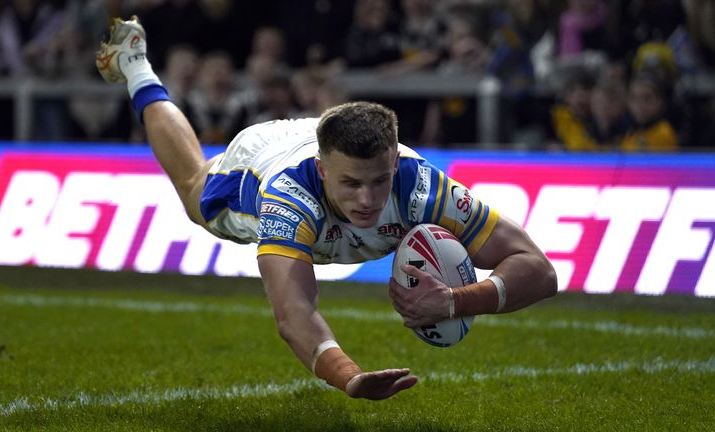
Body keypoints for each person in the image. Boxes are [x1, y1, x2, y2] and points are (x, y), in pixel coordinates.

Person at [96, 17, 557, 401]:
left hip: (331, 137)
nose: (367, 198)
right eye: (351, 184)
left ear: (395, 161)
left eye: (380, 180)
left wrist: (455, 300)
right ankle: (136, 66)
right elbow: (293, 312)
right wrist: (349, 376)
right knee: (196, 196)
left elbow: (539, 270)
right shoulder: (287, 200)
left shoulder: (423, 188)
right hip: (265, 153)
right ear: (322, 170)